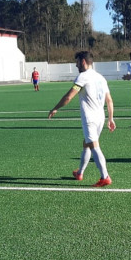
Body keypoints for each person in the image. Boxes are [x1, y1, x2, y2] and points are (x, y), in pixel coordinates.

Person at [48, 50, 116, 187]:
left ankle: (105, 177)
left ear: (83, 61)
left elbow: (69, 96)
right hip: (100, 118)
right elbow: (109, 100)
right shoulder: (101, 78)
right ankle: (80, 173)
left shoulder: (83, 77)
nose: (76, 65)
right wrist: (111, 118)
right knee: (86, 143)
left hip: (90, 118)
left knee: (94, 146)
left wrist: (55, 108)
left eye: (77, 62)